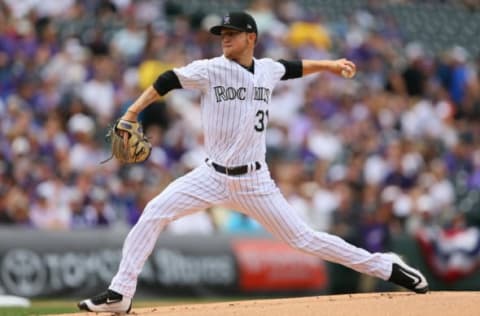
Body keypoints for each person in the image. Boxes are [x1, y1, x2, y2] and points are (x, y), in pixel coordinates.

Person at [78, 12, 428, 313]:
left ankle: (386, 266)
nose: (224, 39)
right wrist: (131, 112)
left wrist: (330, 66)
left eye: (231, 34)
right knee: (154, 212)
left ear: (251, 38)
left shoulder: (268, 70)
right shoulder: (211, 69)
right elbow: (167, 79)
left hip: (255, 182)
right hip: (210, 175)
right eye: (222, 35)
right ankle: (121, 293)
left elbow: (293, 67)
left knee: (304, 239)